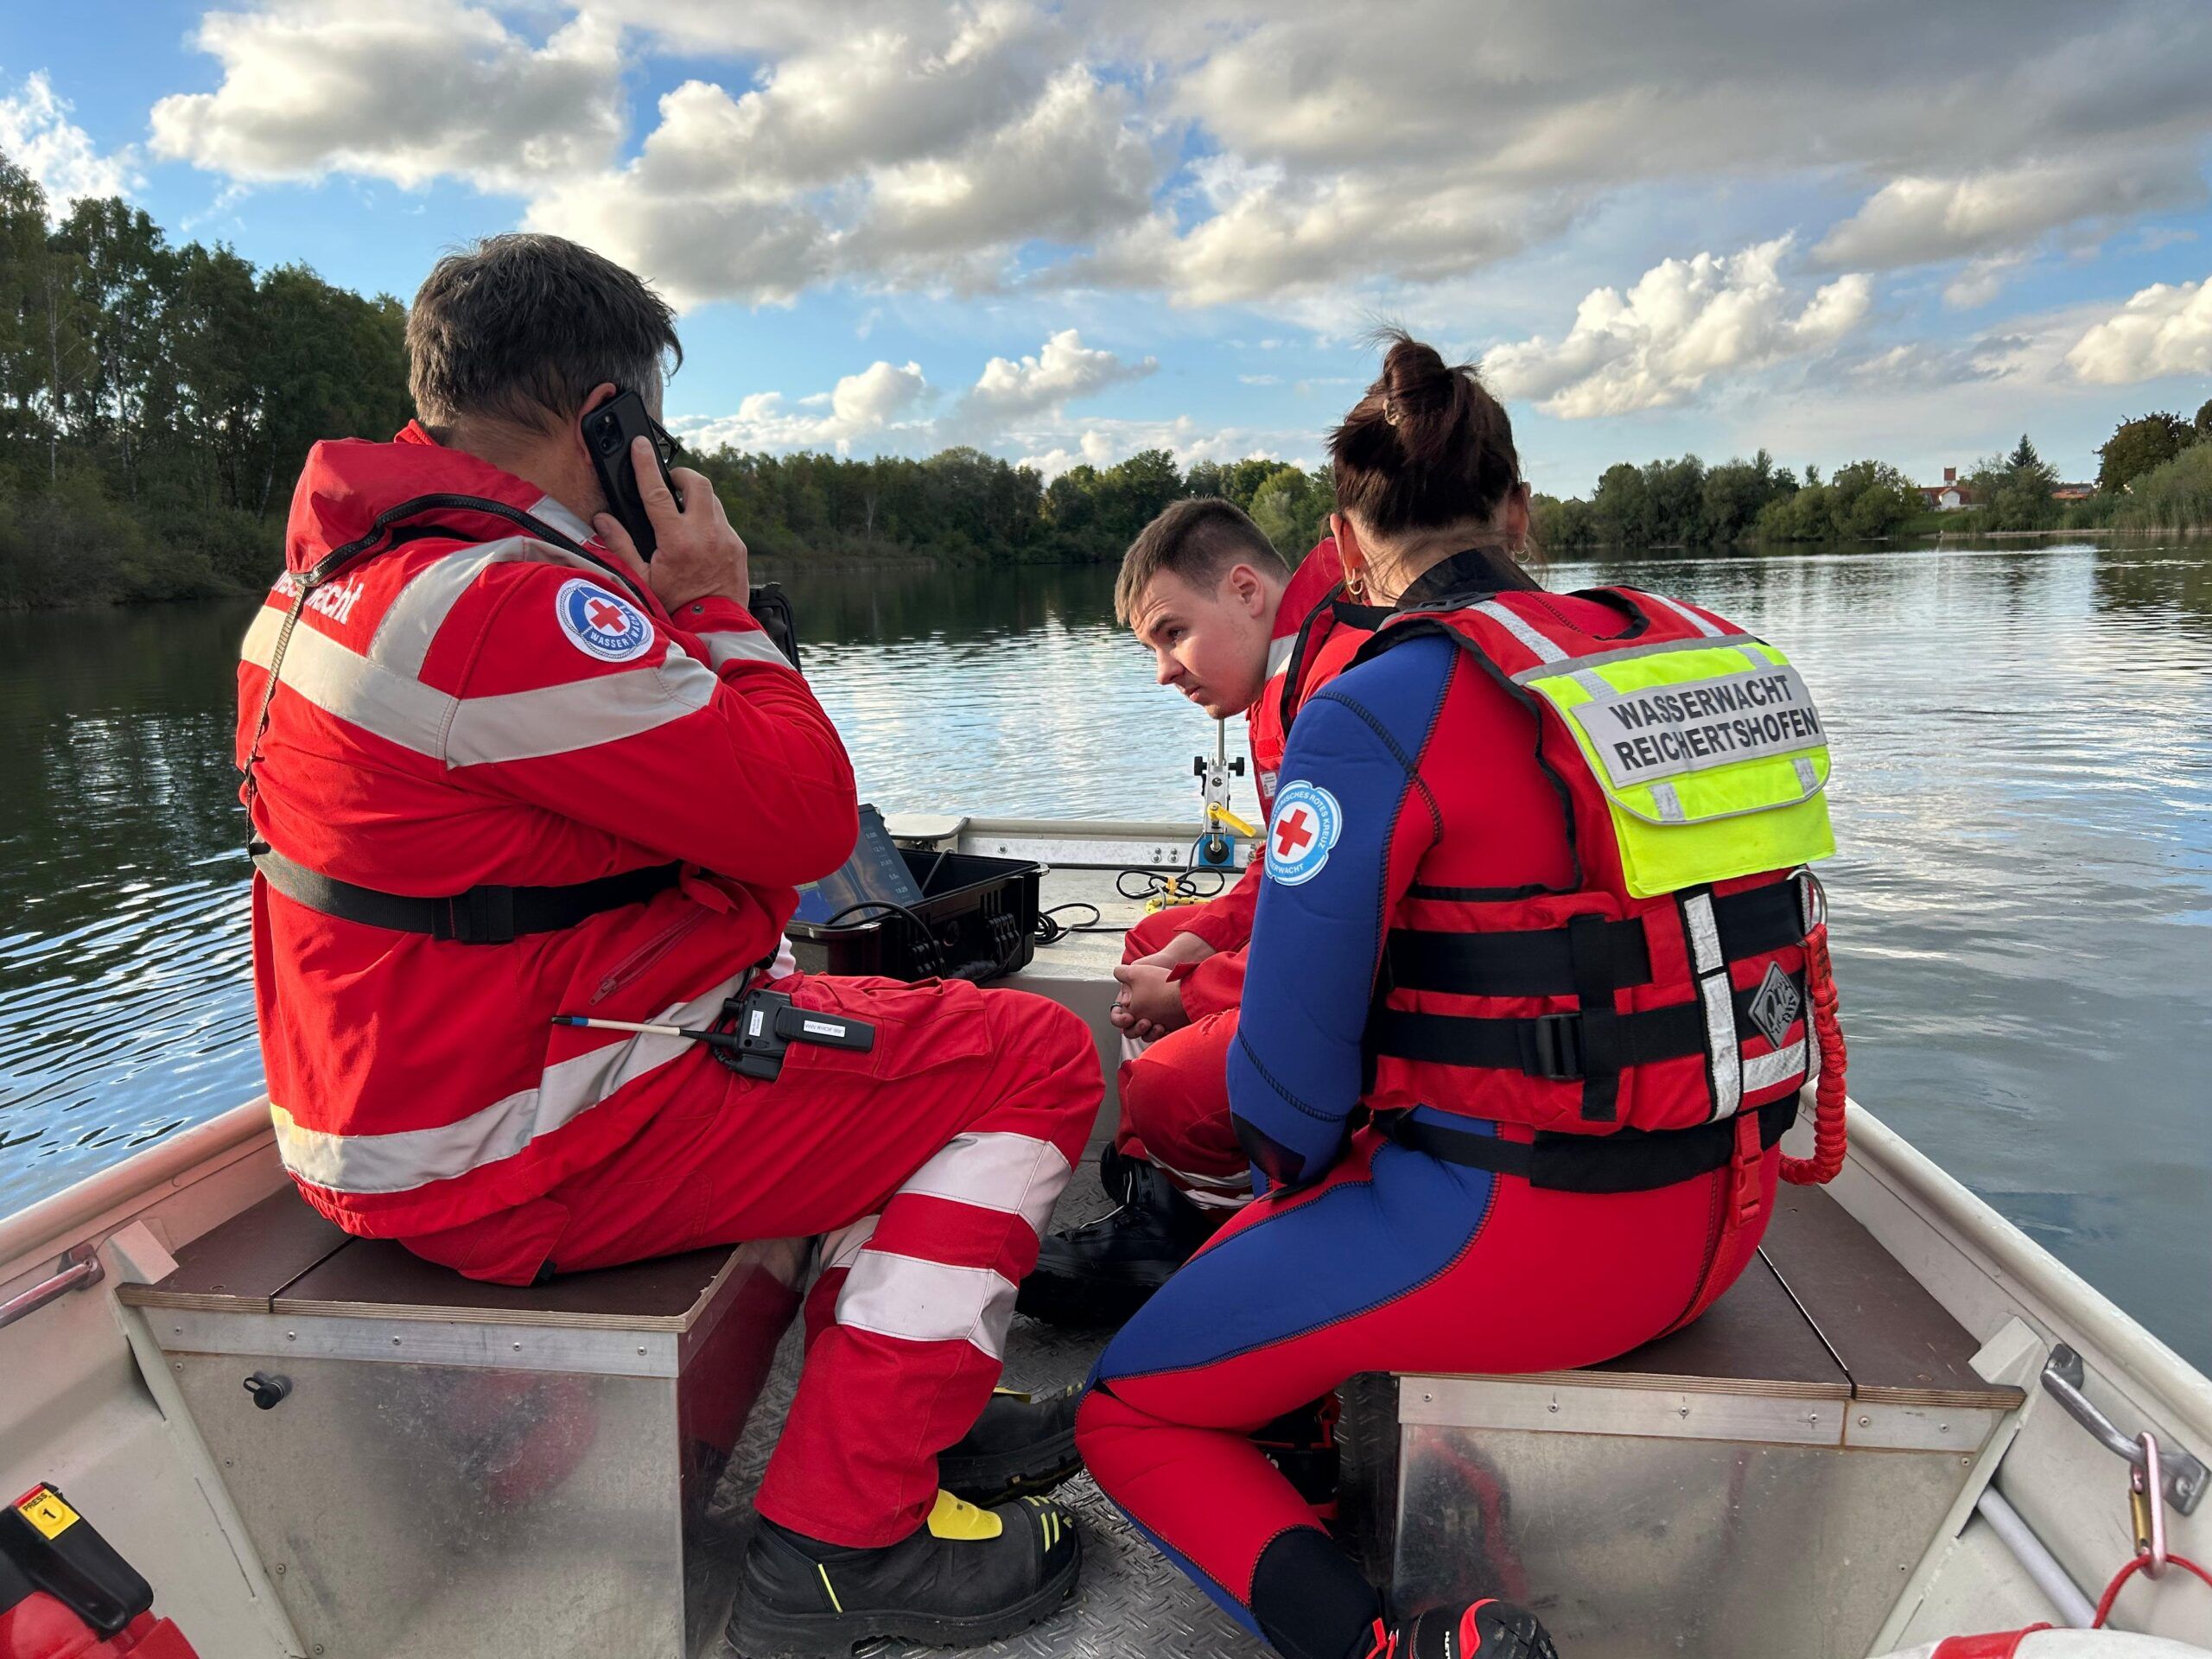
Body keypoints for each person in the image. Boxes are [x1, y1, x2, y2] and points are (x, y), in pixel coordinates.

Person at [233, 234, 1100, 1656]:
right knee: (1035, 1059)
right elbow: (805, 820)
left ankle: (907, 1386)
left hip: (401, 1114)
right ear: (608, 418)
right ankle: (846, 1542)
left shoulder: (335, 586)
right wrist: (709, 595)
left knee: (872, 1021)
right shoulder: (509, 606)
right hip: (510, 1147)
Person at [1076, 334, 1840, 1659]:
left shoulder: (1374, 708)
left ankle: (1386, 1647)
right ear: (1523, 511)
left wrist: (1285, 1204)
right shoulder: (1711, 659)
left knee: (1130, 1409)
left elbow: (1282, 1093)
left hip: (1534, 1248)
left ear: (1344, 543)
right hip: (1729, 1218)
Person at [1019, 500, 1355, 1327]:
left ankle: (1198, 1219)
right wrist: (1196, 947)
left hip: (1369, 987)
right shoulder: (1288, 675)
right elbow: (1290, 871)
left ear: (1245, 589)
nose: (1164, 670)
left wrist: (1196, 993)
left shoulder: (1338, 687)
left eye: (1173, 633)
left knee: (1167, 1087)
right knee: (1152, 938)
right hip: (1328, 943)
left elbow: (1348, 924)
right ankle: (1167, 1187)